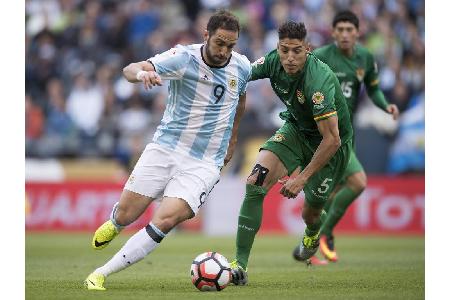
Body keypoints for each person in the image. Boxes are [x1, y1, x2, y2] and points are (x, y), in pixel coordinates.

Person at [84, 10, 251, 291]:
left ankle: (100, 273)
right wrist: (142, 74)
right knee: (127, 215)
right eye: (220, 43)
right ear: (206, 35)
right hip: (166, 148)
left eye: (231, 45)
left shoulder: (242, 67)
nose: (225, 51)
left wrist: (232, 140)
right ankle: (115, 223)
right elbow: (129, 69)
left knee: (167, 218)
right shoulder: (183, 58)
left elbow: (241, 99)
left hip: (205, 163)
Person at [230, 21, 353, 285]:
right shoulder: (273, 62)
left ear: (307, 49)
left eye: (297, 51)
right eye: (284, 50)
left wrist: (302, 178)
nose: (290, 58)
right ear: (278, 47)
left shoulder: (317, 82)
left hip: (331, 146)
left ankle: (311, 234)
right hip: (296, 130)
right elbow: (238, 74)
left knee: (310, 213)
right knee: (255, 181)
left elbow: (332, 139)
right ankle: (239, 265)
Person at [312, 10, 399, 263]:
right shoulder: (320, 57)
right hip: (325, 132)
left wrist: (386, 106)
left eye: (350, 30)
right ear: (333, 32)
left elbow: (373, 89)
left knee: (331, 192)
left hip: (347, 133)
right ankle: (324, 234)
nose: (345, 34)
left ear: (357, 32)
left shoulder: (365, 57)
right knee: (358, 182)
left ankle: (313, 245)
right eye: (340, 30)